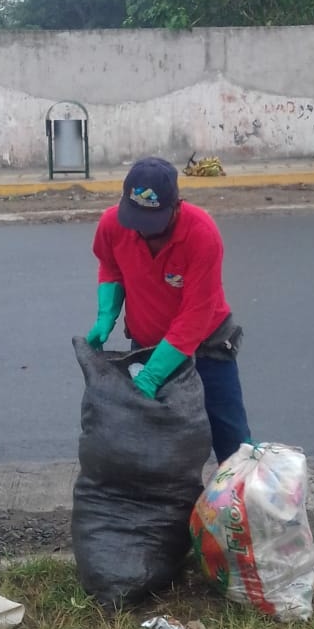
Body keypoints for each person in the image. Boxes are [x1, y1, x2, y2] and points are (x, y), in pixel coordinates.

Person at [85, 156, 251, 464]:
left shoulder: (202, 234)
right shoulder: (113, 224)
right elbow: (111, 266)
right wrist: (106, 314)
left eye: (152, 223)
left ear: (176, 206)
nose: (143, 231)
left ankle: (242, 493)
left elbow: (195, 315)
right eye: (137, 221)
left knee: (232, 441)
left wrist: (153, 375)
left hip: (207, 349)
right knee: (152, 446)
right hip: (146, 348)